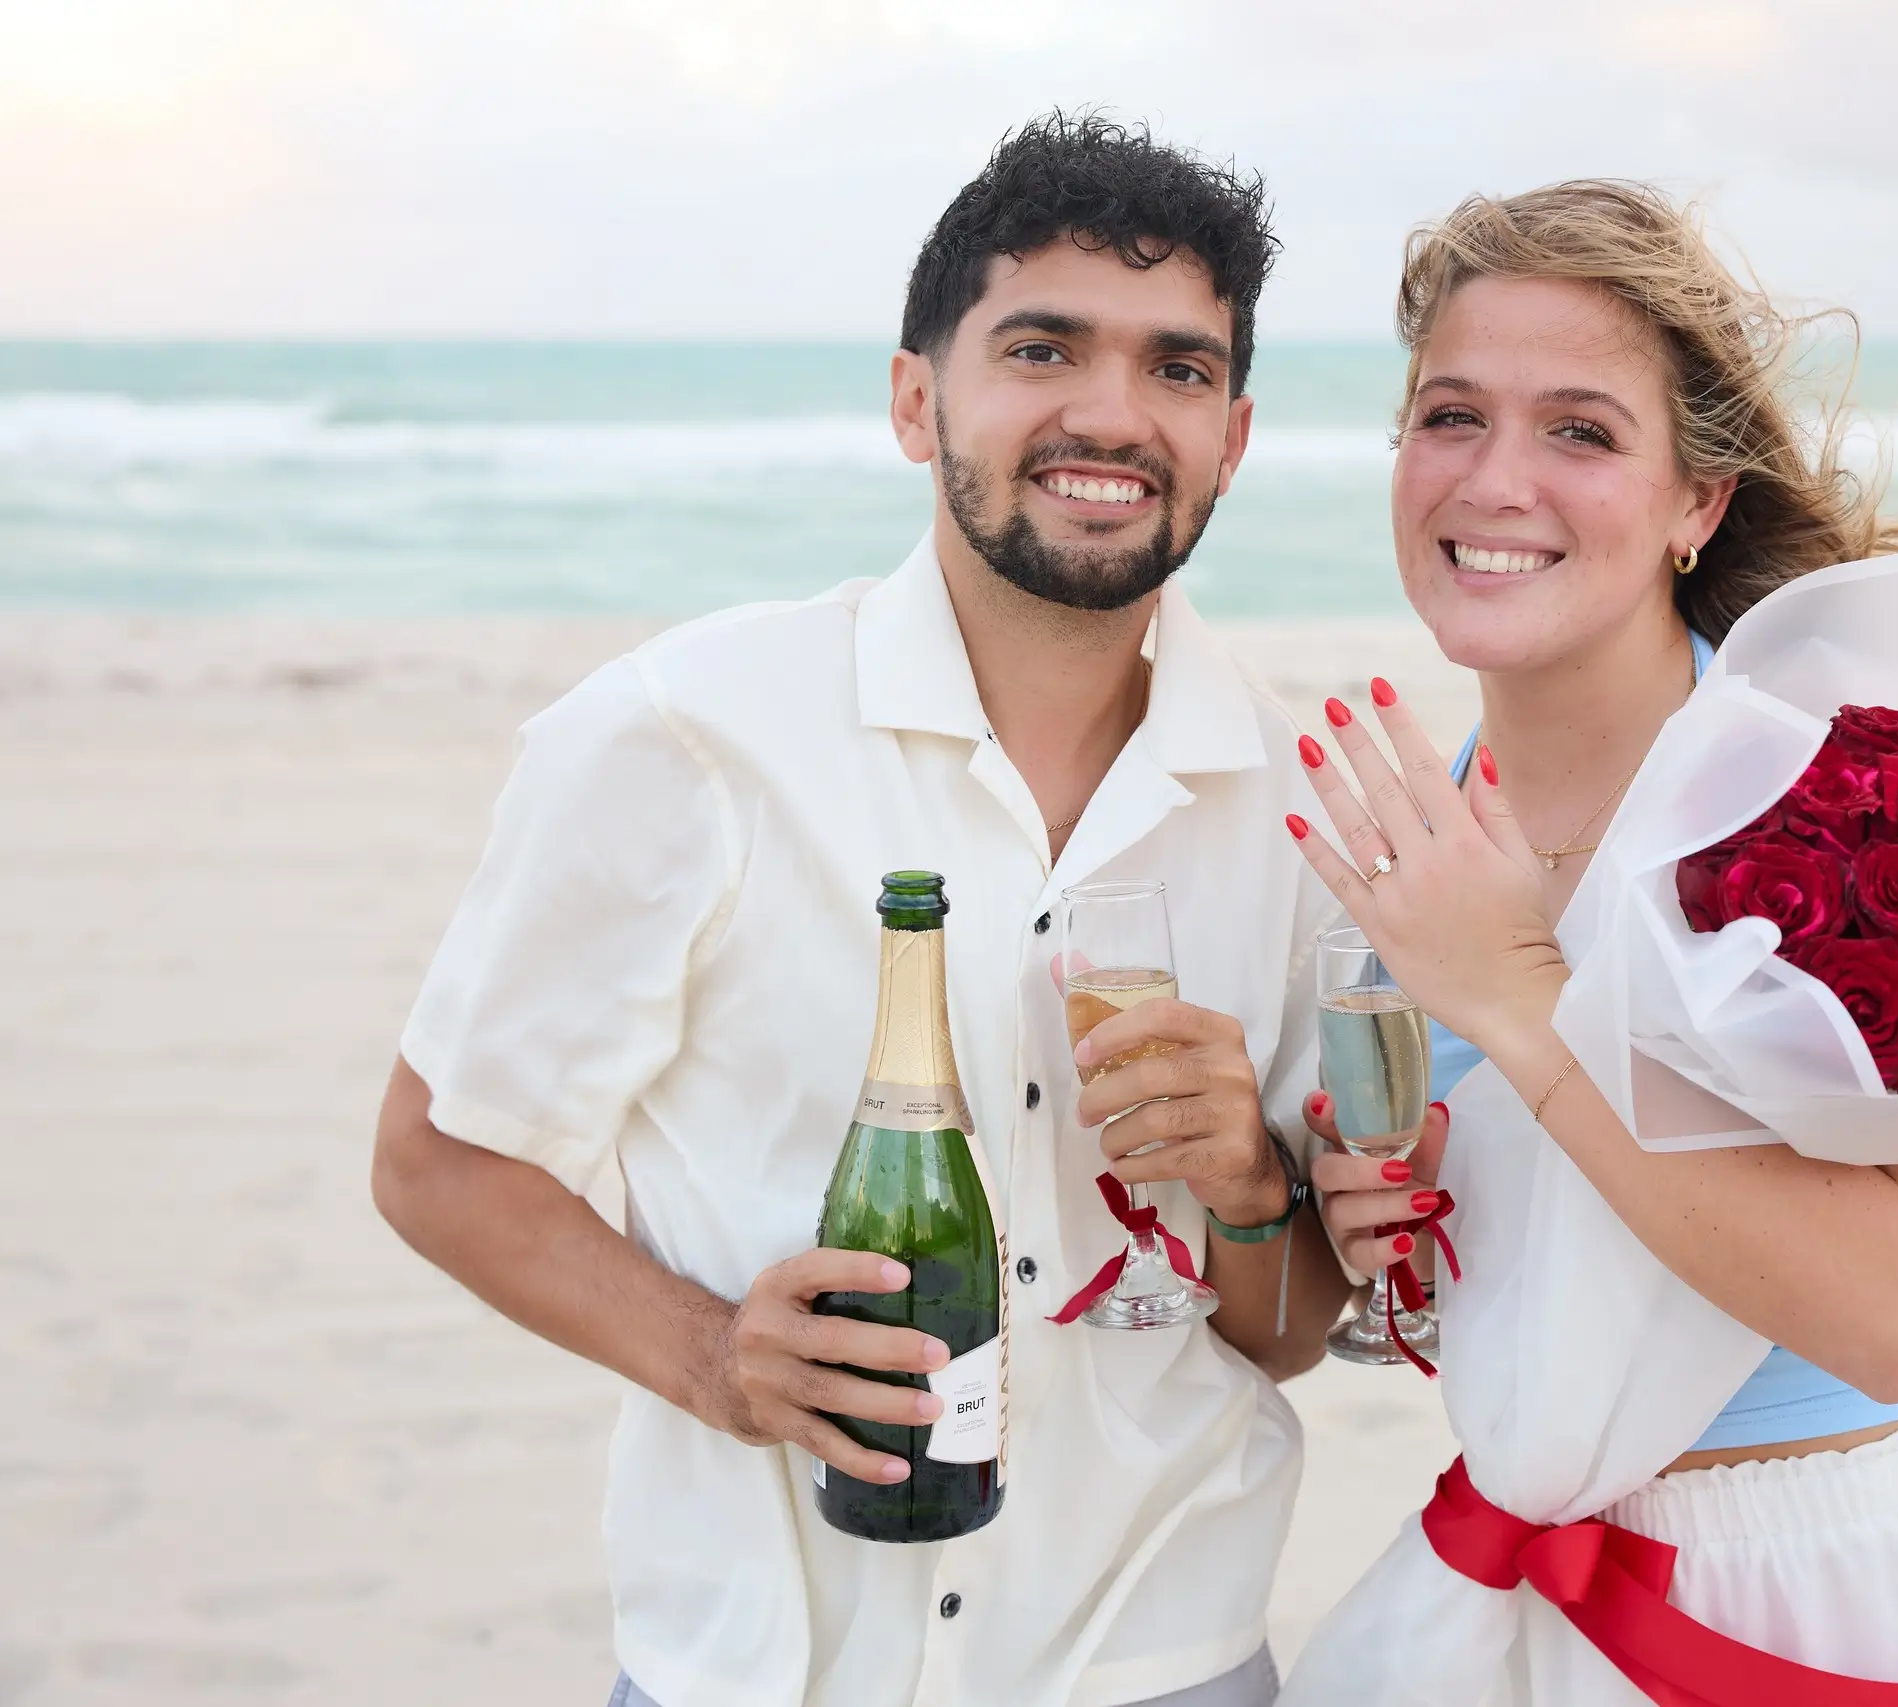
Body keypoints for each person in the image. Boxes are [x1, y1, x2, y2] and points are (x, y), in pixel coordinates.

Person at [370, 113, 1356, 1707]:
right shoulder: (685, 737)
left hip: (1164, 1663)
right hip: (760, 1670)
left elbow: (1287, 1325)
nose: (1113, 413)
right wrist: (711, 1355)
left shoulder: (1297, 807)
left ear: (1232, 437)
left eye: (1178, 369)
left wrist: (1247, 1179)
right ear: (917, 399)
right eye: (1044, 348)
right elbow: (438, 1156)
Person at [1281, 183, 1898, 1703]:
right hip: (1531, 1608)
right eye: (1450, 415)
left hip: (1844, 1586)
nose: (1495, 478)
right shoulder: (1425, 826)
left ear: (1694, 502)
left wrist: (1521, 999)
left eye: (1581, 431)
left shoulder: (1861, 793)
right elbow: (1541, 1292)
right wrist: (1374, 1232)